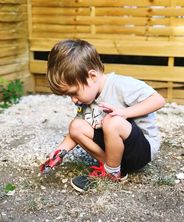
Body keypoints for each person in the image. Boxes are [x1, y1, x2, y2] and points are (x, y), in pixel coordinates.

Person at [45, 39, 165, 192]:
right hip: (116, 153)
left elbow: (158, 100)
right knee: (75, 125)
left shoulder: (121, 85)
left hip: (141, 151)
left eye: (73, 93)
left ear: (92, 76)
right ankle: (112, 166)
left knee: (112, 121)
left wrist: (124, 113)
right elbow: (74, 133)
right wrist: (59, 152)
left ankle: (111, 173)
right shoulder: (86, 98)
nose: (73, 99)